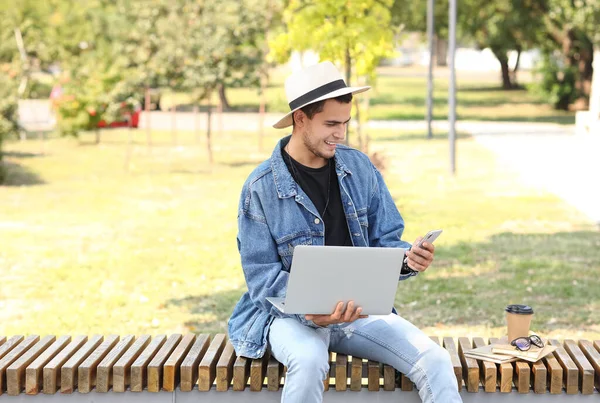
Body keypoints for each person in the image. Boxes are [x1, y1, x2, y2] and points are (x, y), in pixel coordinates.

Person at [228, 61, 462, 403]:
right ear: (300, 119)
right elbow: (262, 279)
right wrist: (310, 309)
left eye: (346, 124)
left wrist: (409, 259)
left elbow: (386, 242)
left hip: (358, 312)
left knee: (436, 360)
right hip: (290, 317)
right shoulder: (260, 188)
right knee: (308, 361)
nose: (341, 134)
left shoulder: (359, 168)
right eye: (331, 124)